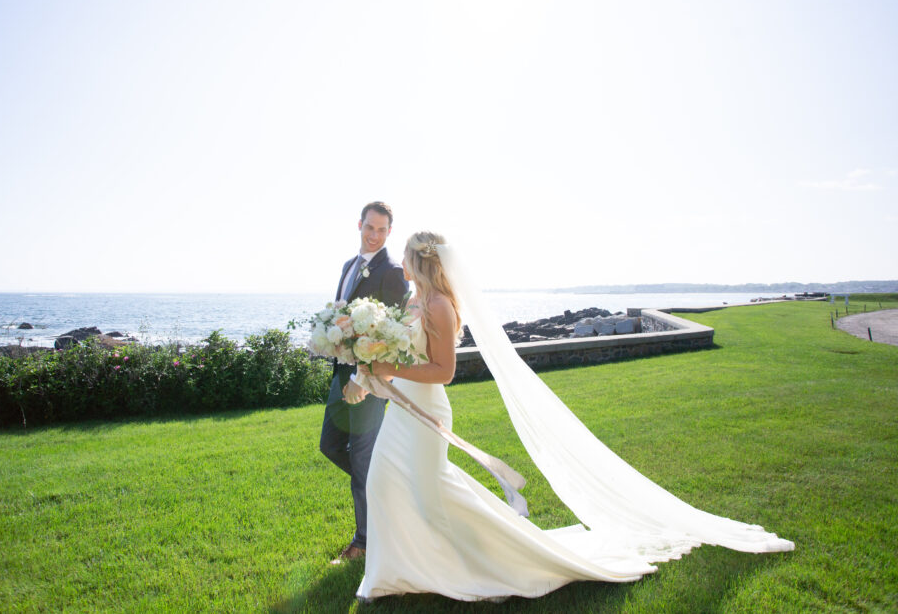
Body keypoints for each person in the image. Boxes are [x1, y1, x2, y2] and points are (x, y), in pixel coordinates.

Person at [354, 232, 794, 602]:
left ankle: (487, 561)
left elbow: (444, 372)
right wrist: (370, 364)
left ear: (419, 260)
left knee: (431, 494)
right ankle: (390, 575)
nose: (403, 262)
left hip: (425, 412)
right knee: (384, 484)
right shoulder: (414, 300)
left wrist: (389, 368)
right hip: (401, 409)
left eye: (408, 256)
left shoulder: (440, 307)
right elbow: (401, 353)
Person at [319, 201, 408, 565]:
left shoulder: (392, 272)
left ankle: (365, 542)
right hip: (341, 373)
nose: (374, 235)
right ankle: (384, 490)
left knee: (362, 458)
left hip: (368, 380)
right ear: (359, 225)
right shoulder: (347, 266)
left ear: (389, 232)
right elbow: (343, 316)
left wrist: (363, 377)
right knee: (330, 445)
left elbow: (393, 336)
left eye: (382, 230)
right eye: (370, 227)